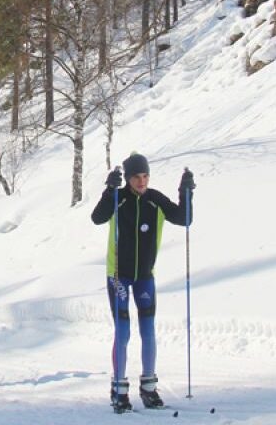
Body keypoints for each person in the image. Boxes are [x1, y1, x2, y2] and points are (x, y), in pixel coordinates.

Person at [90, 152, 194, 413]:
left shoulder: (155, 200)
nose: (141, 181)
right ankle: (119, 389)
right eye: (136, 176)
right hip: (119, 276)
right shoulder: (119, 198)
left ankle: (148, 387)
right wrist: (109, 189)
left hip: (145, 276)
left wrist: (186, 192)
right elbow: (98, 217)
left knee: (148, 331)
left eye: (145, 176)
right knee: (123, 331)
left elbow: (184, 219)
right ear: (128, 178)